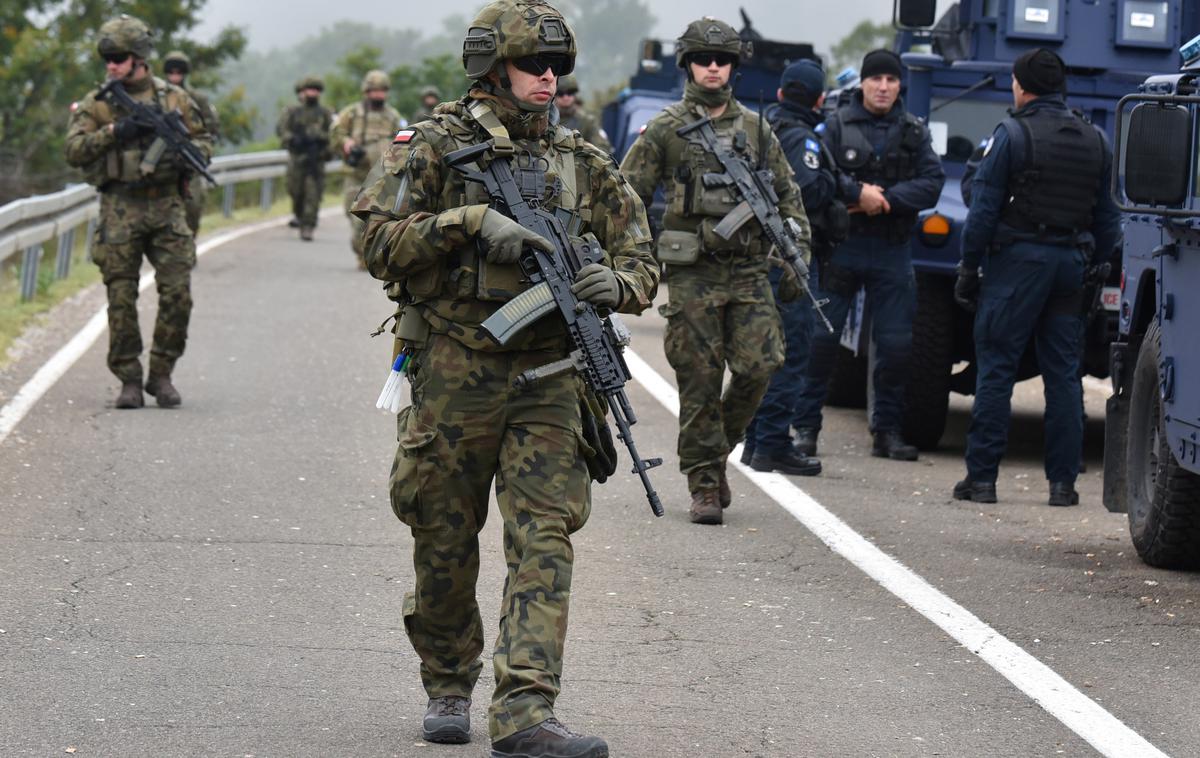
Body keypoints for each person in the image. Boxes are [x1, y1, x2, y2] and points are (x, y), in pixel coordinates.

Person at [351, 2, 658, 755]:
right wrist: (464, 225)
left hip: (552, 378)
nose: (549, 78)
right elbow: (375, 240)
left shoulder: (583, 162)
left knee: (545, 538)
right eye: (533, 65)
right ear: (492, 69)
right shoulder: (432, 147)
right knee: (444, 537)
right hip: (455, 370)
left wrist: (615, 287)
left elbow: (643, 259)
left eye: (557, 66)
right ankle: (450, 680)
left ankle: (525, 709)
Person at [620, 16, 814, 524]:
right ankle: (704, 484)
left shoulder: (756, 129)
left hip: (749, 271)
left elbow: (788, 197)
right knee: (699, 380)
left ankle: (713, 452)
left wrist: (799, 253)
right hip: (693, 273)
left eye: (722, 59)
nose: (713, 67)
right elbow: (625, 199)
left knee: (760, 366)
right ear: (687, 64)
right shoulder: (665, 129)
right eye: (704, 59)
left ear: (733, 66)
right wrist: (632, 256)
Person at [952, 48, 1121, 506]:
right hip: (1071, 267)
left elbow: (983, 211)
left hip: (1017, 264)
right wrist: (1092, 264)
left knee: (997, 367)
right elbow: (1109, 221)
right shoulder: (1096, 138)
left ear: (1021, 86)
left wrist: (969, 268)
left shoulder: (1011, 134)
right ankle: (1063, 485)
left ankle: (982, 479)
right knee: (1064, 376)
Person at [790, 48, 944, 462]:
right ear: (862, 83)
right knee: (822, 342)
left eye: (891, 80)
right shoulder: (836, 126)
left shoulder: (914, 130)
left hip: (892, 250)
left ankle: (887, 432)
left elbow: (932, 182)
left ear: (899, 86)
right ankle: (805, 429)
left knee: (895, 347)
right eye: (876, 79)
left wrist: (886, 199)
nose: (883, 87)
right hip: (844, 247)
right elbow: (818, 174)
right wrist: (857, 193)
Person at [64, 15, 211, 409]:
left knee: (178, 293)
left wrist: (186, 156)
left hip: (166, 206)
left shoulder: (174, 99)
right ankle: (128, 377)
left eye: (119, 56)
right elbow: (74, 151)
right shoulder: (99, 103)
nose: (111, 64)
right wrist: (114, 132)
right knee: (121, 296)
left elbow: (204, 140)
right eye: (106, 57)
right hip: (120, 208)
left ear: (140, 56)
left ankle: (161, 374)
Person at [744, 59, 848, 474]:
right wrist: (832, 184)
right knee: (791, 351)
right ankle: (770, 443)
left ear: (784, 93)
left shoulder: (762, 128)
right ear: (819, 98)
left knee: (765, 351)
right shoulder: (801, 138)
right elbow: (804, 189)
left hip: (761, 255)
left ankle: (757, 440)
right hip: (789, 257)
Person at [330, 69, 403, 268]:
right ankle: (360, 250)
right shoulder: (351, 114)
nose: (379, 95)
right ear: (366, 91)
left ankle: (368, 255)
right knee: (353, 216)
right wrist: (346, 143)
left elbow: (405, 141)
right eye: (375, 91)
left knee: (375, 218)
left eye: (382, 91)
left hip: (382, 176)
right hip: (356, 174)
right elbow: (336, 135)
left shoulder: (393, 116)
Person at [162, 50, 219, 236]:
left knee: (193, 206)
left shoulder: (197, 99)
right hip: (161, 159)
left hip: (188, 158)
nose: (175, 76)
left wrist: (196, 145)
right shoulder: (157, 96)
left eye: (179, 72)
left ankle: (188, 241)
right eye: (171, 72)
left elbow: (211, 128)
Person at [277, 76, 332, 241]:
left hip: (316, 160)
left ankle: (308, 226)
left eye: (315, 90)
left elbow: (333, 135)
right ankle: (299, 216)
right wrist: (293, 139)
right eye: (309, 90)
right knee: (296, 192)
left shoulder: (325, 113)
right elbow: (282, 130)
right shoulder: (292, 112)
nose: (312, 93)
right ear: (303, 92)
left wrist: (321, 141)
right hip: (297, 159)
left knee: (313, 194)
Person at [553, 74, 611, 152]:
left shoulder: (587, 121)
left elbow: (603, 149)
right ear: (555, 95)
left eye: (570, 92)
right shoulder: (547, 119)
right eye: (561, 93)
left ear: (574, 94)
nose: (565, 97)